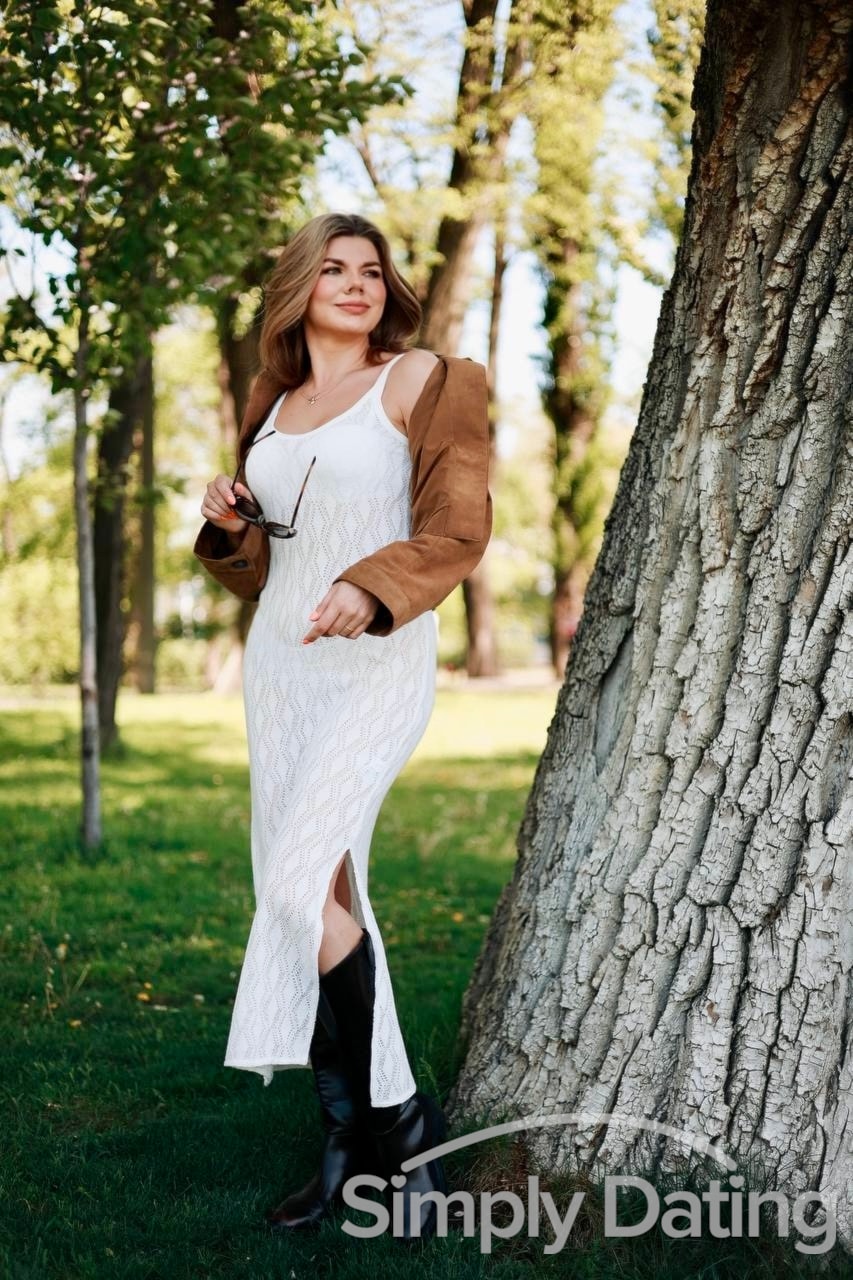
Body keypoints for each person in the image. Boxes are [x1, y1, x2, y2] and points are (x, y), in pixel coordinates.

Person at [195, 211, 492, 1243]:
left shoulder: (422, 380)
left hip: (375, 664)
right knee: (314, 900)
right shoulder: (271, 405)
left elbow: (456, 528)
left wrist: (373, 589)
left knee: (292, 887)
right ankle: (346, 1146)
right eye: (334, 269)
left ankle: (403, 1127)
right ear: (299, 288)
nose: (358, 283)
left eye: (371, 269)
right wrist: (228, 523)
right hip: (282, 669)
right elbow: (260, 569)